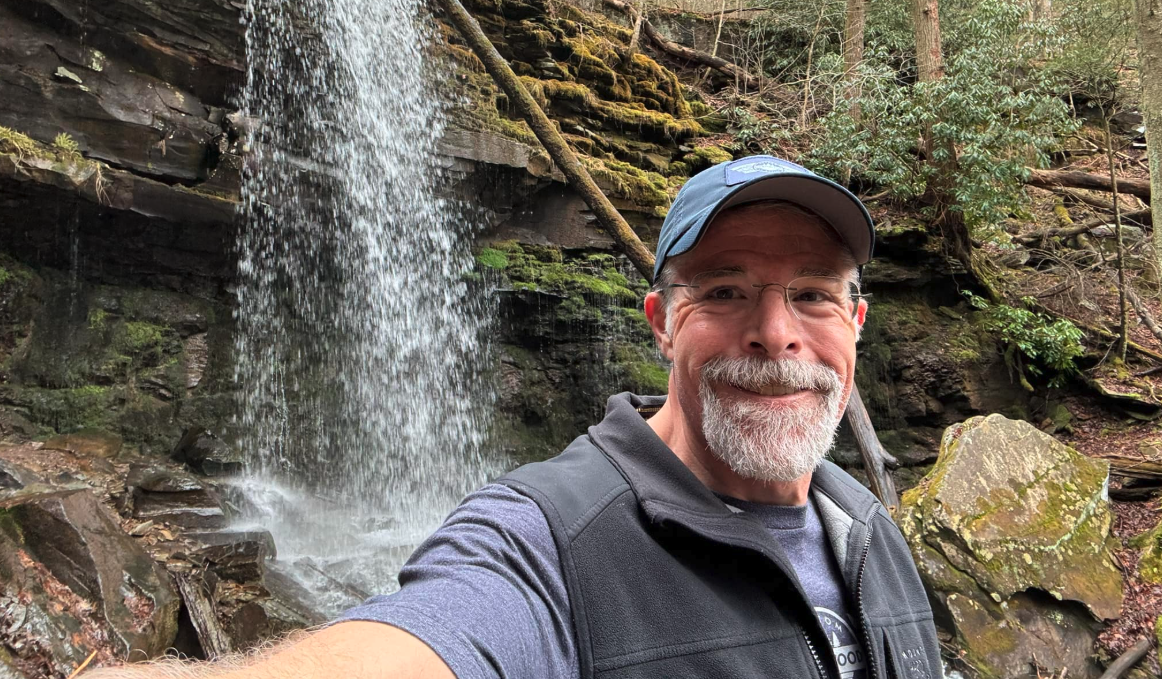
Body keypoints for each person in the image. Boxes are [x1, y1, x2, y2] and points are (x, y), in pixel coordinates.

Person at [98, 155, 942, 679]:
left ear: (856, 323)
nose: (776, 331)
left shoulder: (867, 527)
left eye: (812, 295)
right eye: (724, 290)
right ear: (660, 322)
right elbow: (434, 637)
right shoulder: (546, 539)